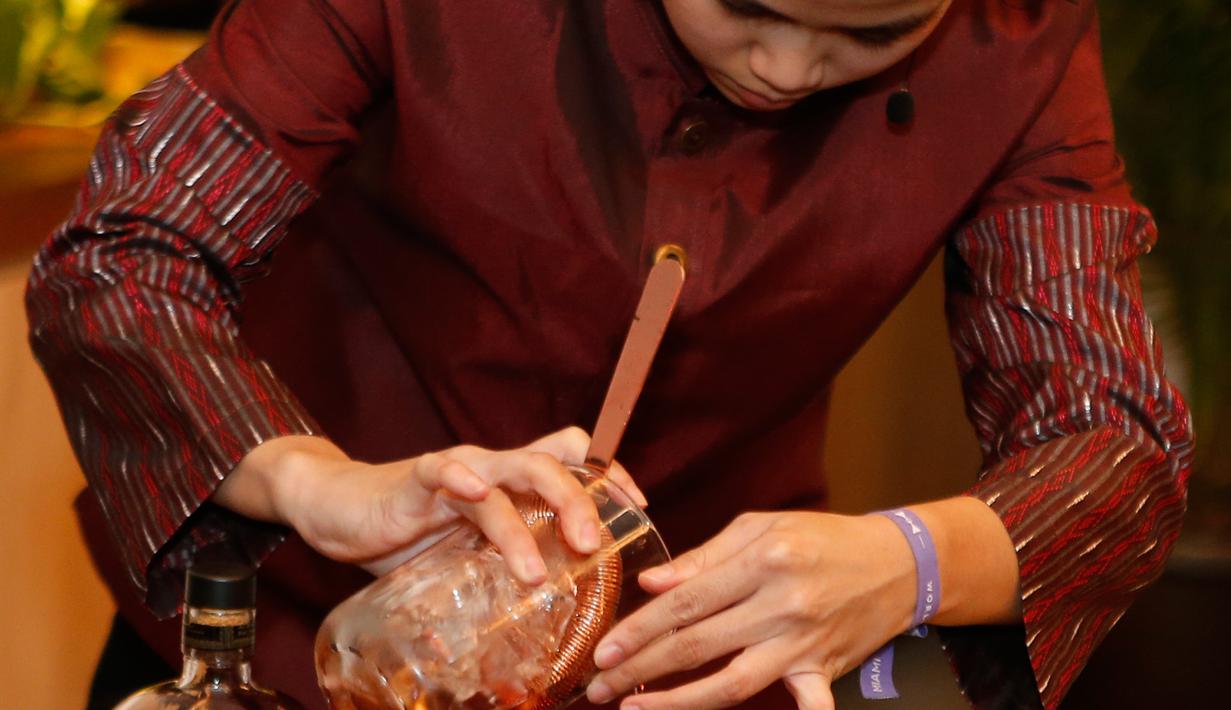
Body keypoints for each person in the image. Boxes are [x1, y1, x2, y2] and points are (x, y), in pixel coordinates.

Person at [26, 0, 1193, 708]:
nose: (785, 68)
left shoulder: (1021, 36)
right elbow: (124, 252)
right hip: (308, 646)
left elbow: (1113, 436)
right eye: (743, 5)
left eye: (875, 37)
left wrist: (907, 560)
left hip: (691, 673)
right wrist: (322, 485)